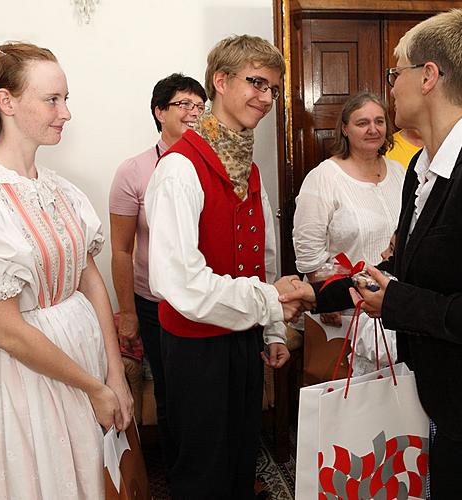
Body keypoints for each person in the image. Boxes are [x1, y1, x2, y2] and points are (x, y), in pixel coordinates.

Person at [281, 9, 462, 499]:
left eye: (397, 73)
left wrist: (399, 305)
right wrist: (316, 292)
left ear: (429, 76)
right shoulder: (422, 166)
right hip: (453, 401)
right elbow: (405, 267)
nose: (390, 86)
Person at [0, 42, 133, 499]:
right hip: (30, 376)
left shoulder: (62, 190)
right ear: (6, 102)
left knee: (94, 476)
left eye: (66, 99)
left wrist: (116, 375)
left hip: (85, 361)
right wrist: (94, 387)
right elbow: (6, 331)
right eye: (52, 99)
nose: (65, 112)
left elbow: (91, 281)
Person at [145, 34, 299, 499]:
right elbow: (177, 281)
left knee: (238, 459)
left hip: (243, 337)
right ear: (221, 81)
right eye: (256, 83)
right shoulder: (179, 168)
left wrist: (271, 328)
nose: (266, 97)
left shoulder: (248, 167)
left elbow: (263, 256)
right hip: (196, 349)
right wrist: (269, 303)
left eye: (273, 88)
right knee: (202, 471)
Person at [108, 73, 207, 469]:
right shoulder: (133, 171)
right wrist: (128, 313)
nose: (194, 113)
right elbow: (120, 249)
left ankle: (213, 470)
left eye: (200, 106)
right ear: (159, 112)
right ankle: (179, 472)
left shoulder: (215, 162)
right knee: (171, 391)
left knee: (208, 388)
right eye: (183, 104)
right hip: (157, 303)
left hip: (208, 297)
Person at [292, 91, 404, 374]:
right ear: (344, 128)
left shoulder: (401, 172)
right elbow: (307, 248)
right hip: (344, 312)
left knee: (395, 398)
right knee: (351, 401)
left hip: (393, 306)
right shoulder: (324, 177)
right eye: (362, 122)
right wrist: (325, 295)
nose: (373, 129)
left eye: (379, 121)